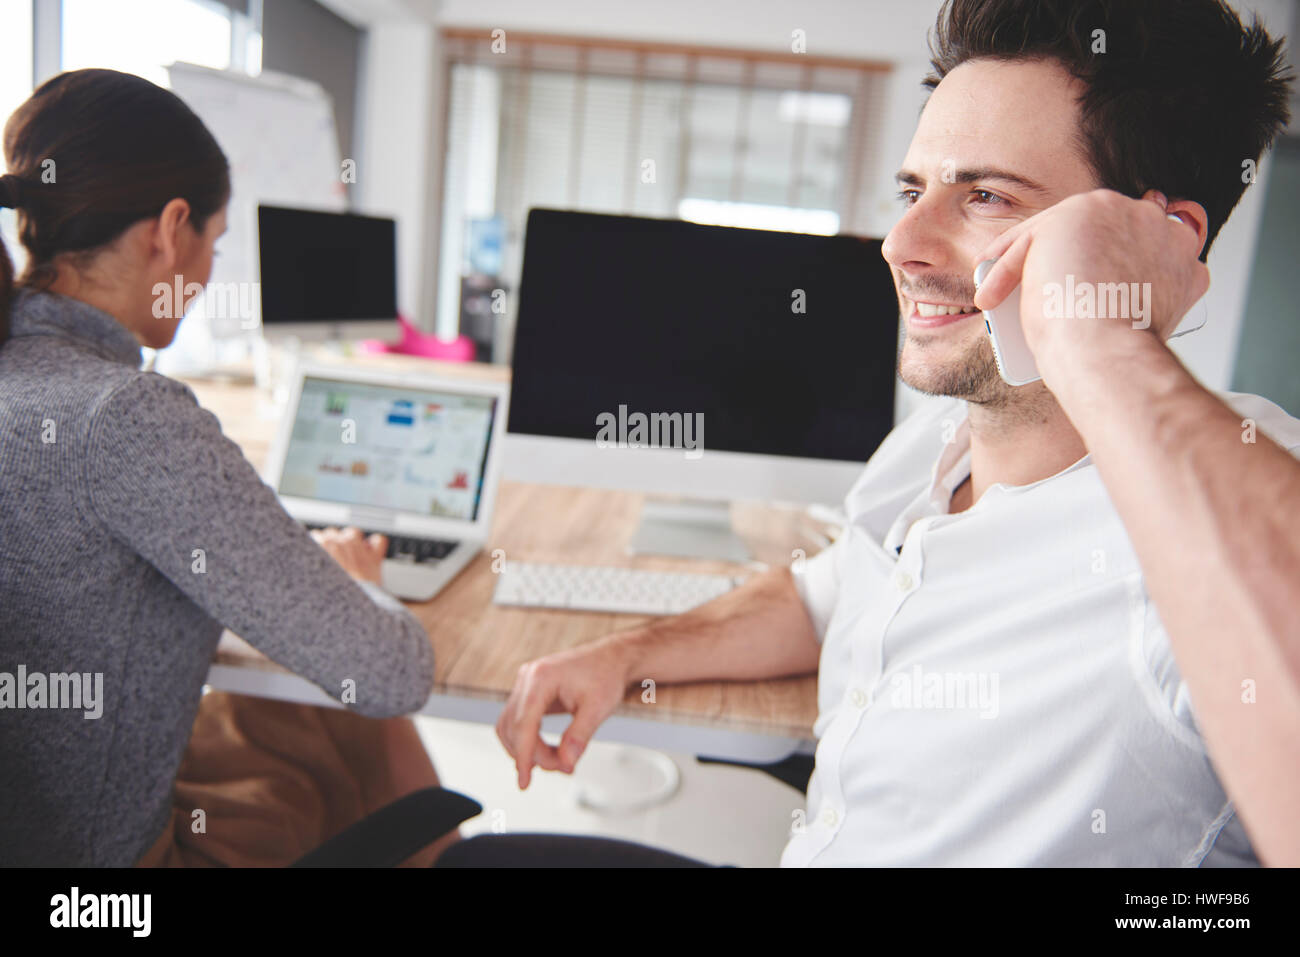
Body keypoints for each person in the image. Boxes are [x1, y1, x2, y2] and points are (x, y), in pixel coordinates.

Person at [468, 0, 1300, 867]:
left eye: (985, 195)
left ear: (1164, 240)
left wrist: (1104, 335)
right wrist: (626, 655)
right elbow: (821, 595)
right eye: (912, 191)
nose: (900, 242)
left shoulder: (1237, 513)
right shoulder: (932, 445)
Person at [0, 69, 450, 866]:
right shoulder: (128, 417)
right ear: (171, 230)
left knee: (299, 719)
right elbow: (392, 672)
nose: (208, 273)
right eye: (215, 240)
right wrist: (359, 582)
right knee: (348, 713)